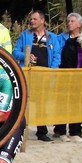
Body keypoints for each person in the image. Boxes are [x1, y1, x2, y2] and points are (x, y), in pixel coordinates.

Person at [12, 9, 61, 142]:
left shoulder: (52, 37)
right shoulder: (25, 35)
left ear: (42, 20)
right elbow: (15, 52)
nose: (32, 21)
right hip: (27, 73)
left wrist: (52, 72)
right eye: (31, 19)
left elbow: (57, 56)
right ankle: (19, 129)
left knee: (42, 103)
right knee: (23, 102)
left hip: (44, 75)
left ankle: (42, 131)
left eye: (34, 19)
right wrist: (26, 56)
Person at [53, 13, 82, 143]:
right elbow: (65, 63)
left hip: (81, 82)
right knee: (63, 105)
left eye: (72, 21)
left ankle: (75, 131)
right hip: (67, 80)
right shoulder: (68, 45)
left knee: (78, 106)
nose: (69, 23)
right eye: (68, 21)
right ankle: (61, 131)